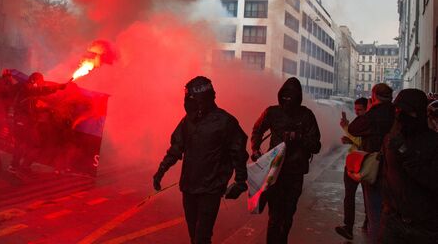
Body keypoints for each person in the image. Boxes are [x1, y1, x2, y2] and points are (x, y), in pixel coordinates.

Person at [153, 76, 248, 244]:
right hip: (189, 188)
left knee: (202, 238)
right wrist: (161, 170)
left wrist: (241, 181)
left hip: (211, 190)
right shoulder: (188, 121)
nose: (189, 102)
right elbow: (176, 148)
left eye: (192, 99)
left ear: (203, 98)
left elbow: (238, 152)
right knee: (193, 236)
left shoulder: (225, 122)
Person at [251, 77, 321, 244]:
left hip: (295, 172)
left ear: (298, 97)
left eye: (291, 96)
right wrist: (255, 149)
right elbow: (257, 130)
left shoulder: (306, 115)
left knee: (288, 214)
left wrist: (298, 138)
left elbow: (316, 145)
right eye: (285, 96)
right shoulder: (272, 112)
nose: (287, 100)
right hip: (274, 170)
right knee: (275, 216)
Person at [380, 89, 438, 243]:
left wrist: (405, 153)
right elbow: (385, 173)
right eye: (397, 109)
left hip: (424, 226)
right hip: (393, 221)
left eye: (406, 111)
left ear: (418, 113)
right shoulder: (390, 139)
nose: (399, 114)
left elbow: (433, 180)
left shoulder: (433, 142)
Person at [347, 83, 395, 244]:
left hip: (375, 168)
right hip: (395, 170)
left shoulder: (374, 114)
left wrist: (370, 109)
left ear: (374, 97)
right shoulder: (395, 112)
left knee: (374, 214)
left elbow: (353, 128)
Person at [9, 72, 67, 173]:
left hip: (21, 121)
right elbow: (40, 90)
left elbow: (31, 108)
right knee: (34, 145)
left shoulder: (26, 89)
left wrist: (47, 109)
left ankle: (15, 166)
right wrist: (58, 87)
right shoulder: (27, 88)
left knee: (21, 144)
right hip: (25, 122)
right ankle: (23, 167)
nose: (41, 84)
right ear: (34, 80)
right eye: (40, 82)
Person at [335, 97, 369, 240]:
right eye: (355, 110)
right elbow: (358, 141)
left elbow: (364, 144)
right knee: (349, 196)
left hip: (366, 164)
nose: (357, 113)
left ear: (367, 108)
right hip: (353, 162)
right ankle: (348, 226)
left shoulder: (369, 122)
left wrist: (347, 131)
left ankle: (368, 222)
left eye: (360, 110)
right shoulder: (358, 122)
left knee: (367, 195)